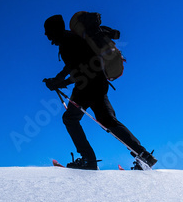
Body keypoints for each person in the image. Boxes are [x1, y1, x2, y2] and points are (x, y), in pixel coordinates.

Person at [42, 14, 157, 170]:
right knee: (108, 120)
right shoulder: (72, 39)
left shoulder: (67, 43)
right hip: (98, 84)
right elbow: (72, 67)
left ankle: (88, 160)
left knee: (70, 119)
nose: (47, 36)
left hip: (86, 87)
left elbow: (79, 69)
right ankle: (144, 156)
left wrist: (61, 82)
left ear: (56, 30)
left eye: (48, 32)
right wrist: (58, 80)